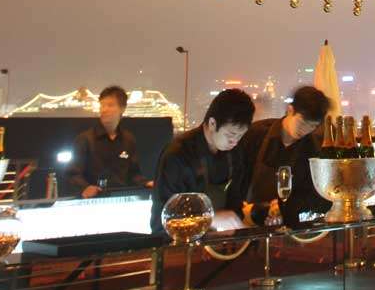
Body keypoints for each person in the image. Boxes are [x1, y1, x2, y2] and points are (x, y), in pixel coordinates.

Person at [153, 88, 256, 216]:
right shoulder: (177, 155)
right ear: (212, 123)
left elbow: (235, 205)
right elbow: (164, 216)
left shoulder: (235, 153)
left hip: (223, 234)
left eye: (240, 136)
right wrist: (212, 219)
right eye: (230, 135)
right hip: (182, 235)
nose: (234, 142)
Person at [242, 85, 333, 228]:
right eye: (302, 123)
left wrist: (282, 207)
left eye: (312, 126)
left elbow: (319, 197)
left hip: (290, 227)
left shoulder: (314, 148)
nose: (306, 130)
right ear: (290, 110)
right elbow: (237, 178)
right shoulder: (256, 134)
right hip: (248, 222)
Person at [66, 85, 149, 197]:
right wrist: (85, 187)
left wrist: (146, 183)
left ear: (122, 108)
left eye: (110, 105)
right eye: (102, 105)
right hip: (92, 201)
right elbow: (72, 173)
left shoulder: (128, 139)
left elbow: (134, 173)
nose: (104, 109)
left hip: (121, 200)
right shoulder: (85, 139)